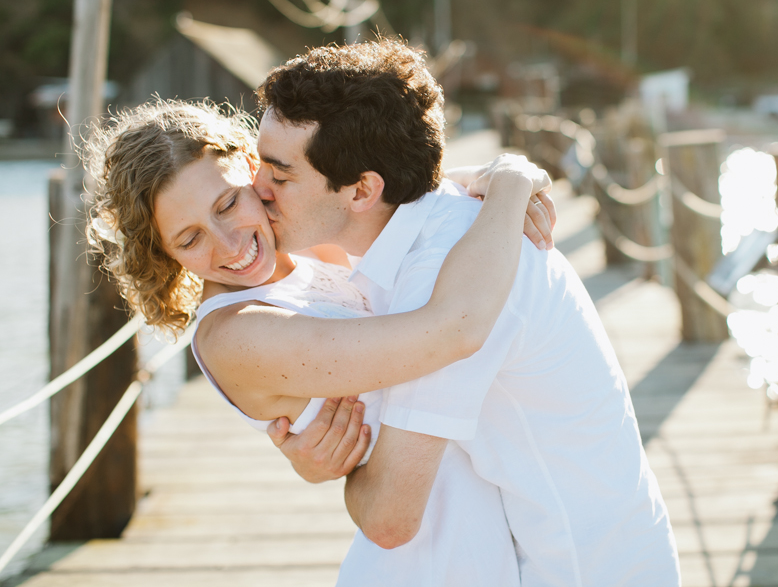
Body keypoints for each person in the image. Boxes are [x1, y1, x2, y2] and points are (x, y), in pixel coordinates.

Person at [258, 39, 681, 586]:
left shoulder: (446, 274)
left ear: (363, 190)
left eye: (280, 174)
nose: (257, 189)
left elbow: (390, 517)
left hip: (581, 569)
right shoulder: (449, 222)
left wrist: (336, 468)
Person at [84, 97, 555, 586]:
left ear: (252, 168)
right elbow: (450, 331)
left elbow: (383, 207)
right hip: (428, 560)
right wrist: (510, 185)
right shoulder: (235, 335)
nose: (228, 244)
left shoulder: (307, 248)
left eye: (227, 203)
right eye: (189, 239)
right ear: (161, 252)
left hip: (497, 532)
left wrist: (480, 174)